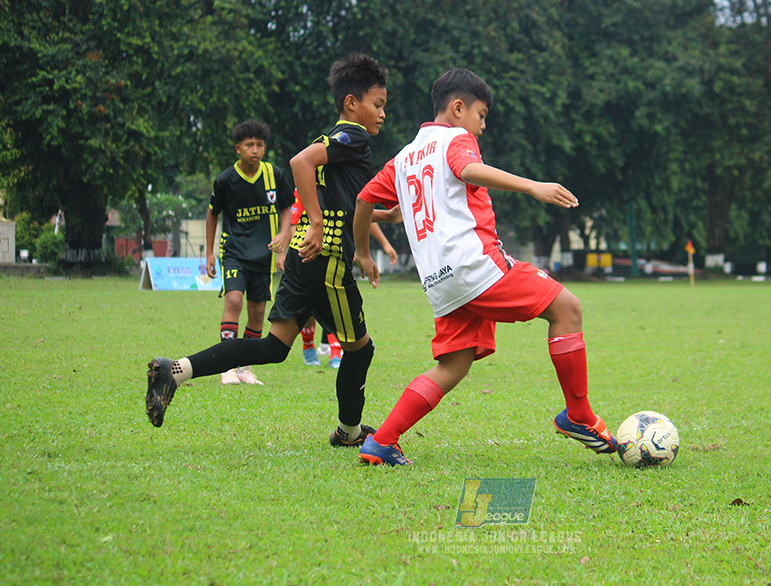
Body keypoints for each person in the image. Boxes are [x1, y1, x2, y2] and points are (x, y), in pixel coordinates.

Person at [352, 68, 617, 466]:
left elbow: (364, 201)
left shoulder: (404, 157)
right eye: (481, 114)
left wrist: (363, 251)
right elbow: (467, 169)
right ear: (458, 108)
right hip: (476, 266)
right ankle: (578, 414)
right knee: (568, 309)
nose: (482, 125)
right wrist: (532, 186)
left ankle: (381, 442)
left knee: (454, 364)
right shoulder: (456, 139)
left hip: (440, 283)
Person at [146, 53, 393, 448]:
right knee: (360, 350)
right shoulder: (354, 136)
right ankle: (349, 432)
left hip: (301, 256)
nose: (382, 114)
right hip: (326, 258)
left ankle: (174, 370)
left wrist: (386, 217)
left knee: (274, 347)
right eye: (377, 104)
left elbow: (344, 202)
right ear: (351, 103)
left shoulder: (333, 138)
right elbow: (299, 163)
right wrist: (314, 221)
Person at [205, 119, 293, 386]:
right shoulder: (225, 180)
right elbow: (212, 215)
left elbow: (287, 207)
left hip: (263, 255)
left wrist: (283, 236)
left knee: (257, 312)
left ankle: (245, 367)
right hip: (233, 252)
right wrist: (209, 253)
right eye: (249, 145)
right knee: (233, 301)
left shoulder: (274, 174)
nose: (255, 149)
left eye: (260, 145)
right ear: (238, 149)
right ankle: (226, 366)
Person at [284, 188, 399, 368]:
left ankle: (336, 352)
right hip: (309, 256)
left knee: (334, 306)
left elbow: (362, 213)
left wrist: (383, 243)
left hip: (337, 257)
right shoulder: (308, 186)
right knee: (307, 313)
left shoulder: (348, 184)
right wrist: (296, 254)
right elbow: (294, 222)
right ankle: (308, 346)